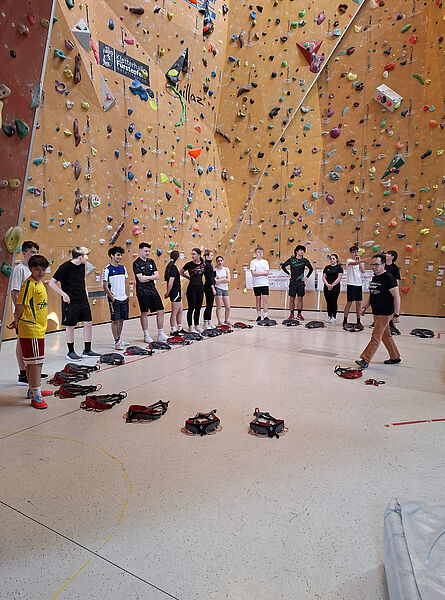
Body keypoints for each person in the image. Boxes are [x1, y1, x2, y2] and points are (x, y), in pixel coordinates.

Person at [8, 255, 50, 409]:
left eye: (43, 269)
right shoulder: (29, 285)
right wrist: (16, 320)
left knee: (34, 362)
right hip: (31, 329)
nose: (40, 272)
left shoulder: (39, 283)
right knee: (36, 363)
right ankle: (36, 395)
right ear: (30, 269)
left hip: (38, 329)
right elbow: (20, 305)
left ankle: (33, 390)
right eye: (37, 269)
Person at [49, 246, 101, 360]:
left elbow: (83, 279)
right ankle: (70, 352)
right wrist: (63, 294)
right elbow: (52, 283)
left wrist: (86, 292)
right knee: (70, 326)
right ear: (80, 257)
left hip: (83, 299)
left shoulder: (82, 265)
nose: (88, 258)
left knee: (88, 323)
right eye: (86, 256)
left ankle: (87, 350)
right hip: (71, 301)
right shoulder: (65, 267)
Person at [10, 240, 48, 385]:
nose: (35, 254)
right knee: (21, 343)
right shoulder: (20, 270)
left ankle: (31, 373)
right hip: (25, 317)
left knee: (31, 351)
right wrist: (18, 316)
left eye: (37, 252)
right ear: (24, 253)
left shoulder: (36, 277)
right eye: (32, 252)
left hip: (33, 317)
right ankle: (23, 373)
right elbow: (15, 292)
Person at [355, 253, 401, 369]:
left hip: (385, 313)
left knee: (375, 336)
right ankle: (395, 357)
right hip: (376, 312)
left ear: (383, 264)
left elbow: (397, 297)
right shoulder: (375, 277)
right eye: (372, 265)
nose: (374, 267)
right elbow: (372, 294)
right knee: (386, 336)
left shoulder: (389, 278)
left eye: (376, 265)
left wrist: (396, 315)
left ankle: (365, 359)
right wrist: (365, 307)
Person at [132, 242, 168, 343]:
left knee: (161, 310)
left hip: (152, 290)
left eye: (148, 251)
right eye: (145, 251)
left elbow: (157, 276)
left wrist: (146, 277)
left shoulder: (151, 261)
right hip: (142, 291)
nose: (147, 253)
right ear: (140, 250)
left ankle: (160, 333)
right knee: (144, 313)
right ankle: (146, 335)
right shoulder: (136, 263)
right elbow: (140, 279)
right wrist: (151, 277)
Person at [102, 246, 129, 351]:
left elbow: (125, 282)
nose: (120, 257)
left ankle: (119, 338)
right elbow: (105, 286)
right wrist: (112, 298)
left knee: (121, 320)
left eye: (121, 255)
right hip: (114, 300)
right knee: (115, 321)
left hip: (124, 299)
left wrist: (126, 295)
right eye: (118, 255)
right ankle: (116, 341)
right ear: (112, 255)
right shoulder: (107, 269)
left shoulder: (123, 268)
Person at [281, 244, 313, 321]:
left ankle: (299, 314)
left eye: (303, 250)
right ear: (296, 251)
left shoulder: (305, 261)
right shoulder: (291, 260)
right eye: (300, 250)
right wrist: (288, 274)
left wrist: (306, 277)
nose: (302, 252)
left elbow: (311, 269)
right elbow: (283, 266)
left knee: (300, 299)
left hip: (300, 283)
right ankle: (291, 314)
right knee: (292, 299)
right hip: (293, 282)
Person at [180, 248, 205, 333]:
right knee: (191, 308)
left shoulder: (203, 264)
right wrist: (188, 277)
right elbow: (181, 272)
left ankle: (197, 325)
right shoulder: (189, 264)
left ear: (199, 255)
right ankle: (190, 326)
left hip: (200, 288)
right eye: (192, 254)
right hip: (192, 288)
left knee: (198, 307)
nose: (192, 256)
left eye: (194, 254)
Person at [342, 245, 366, 331]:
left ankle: (358, 321)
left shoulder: (359, 261)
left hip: (358, 284)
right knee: (349, 302)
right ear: (351, 253)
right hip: (351, 284)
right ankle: (345, 320)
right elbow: (353, 263)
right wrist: (361, 260)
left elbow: (363, 271)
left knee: (358, 303)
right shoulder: (349, 260)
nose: (355, 253)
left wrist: (360, 261)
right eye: (353, 252)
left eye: (356, 252)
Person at [164, 250, 184, 335]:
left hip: (177, 292)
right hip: (175, 292)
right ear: (178, 257)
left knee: (180, 310)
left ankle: (180, 328)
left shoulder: (173, 267)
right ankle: (173, 330)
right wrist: (167, 293)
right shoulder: (173, 268)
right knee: (174, 312)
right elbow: (170, 282)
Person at [250, 246, 270, 322]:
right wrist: (262, 273)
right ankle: (259, 315)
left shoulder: (265, 262)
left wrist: (258, 273)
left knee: (265, 300)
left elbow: (267, 273)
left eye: (261, 251)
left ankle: (265, 315)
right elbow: (253, 273)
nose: (260, 253)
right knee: (258, 299)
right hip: (256, 284)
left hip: (264, 284)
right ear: (255, 253)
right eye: (258, 252)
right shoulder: (253, 262)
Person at [322, 254, 343, 323]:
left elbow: (339, 277)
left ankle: (334, 317)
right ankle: (329, 316)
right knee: (328, 302)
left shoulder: (339, 268)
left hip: (335, 287)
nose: (332, 260)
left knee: (333, 301)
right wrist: (327, 285)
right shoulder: (327, 267)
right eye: (330, 258)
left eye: (333, 258)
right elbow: (323, 277)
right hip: (327, 287)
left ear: (336, 259)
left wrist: (332, 285)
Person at [385, 250, 401, 335]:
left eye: (388, 254)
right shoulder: (382, 265)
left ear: (392, 257)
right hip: (383, 289)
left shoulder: (395, 268)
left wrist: (395, 290)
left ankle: (391, 323)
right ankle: (378, 322)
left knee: (391, 306)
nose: (386, 255)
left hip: (391, 289)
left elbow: (397, 279)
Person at [215, 255, 231, 326]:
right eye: (218, 261)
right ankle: (219, 321)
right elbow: (215, 281)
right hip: (218, 289)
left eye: (221, 261)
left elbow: (228, 280)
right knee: (219, 306)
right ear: (216, 262)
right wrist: (224, 279)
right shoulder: (215, 270)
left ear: (223, 261)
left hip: (225, 289)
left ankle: (226, 320)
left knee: (228, 307)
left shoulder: (226, 269)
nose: (220, 262)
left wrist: (220, 280)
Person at [203, 249, 216, 329]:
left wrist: (213, 267)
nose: (212, 257)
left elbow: (214, 275)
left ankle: (209, 321)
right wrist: (213, 288)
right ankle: (205, 322)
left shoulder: (210, 264)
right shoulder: (206, 265)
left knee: (211, 305)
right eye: (211, 255)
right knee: (208, 305)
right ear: (207, 256)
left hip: (212, 285)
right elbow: (209, 278)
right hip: (209, 286)